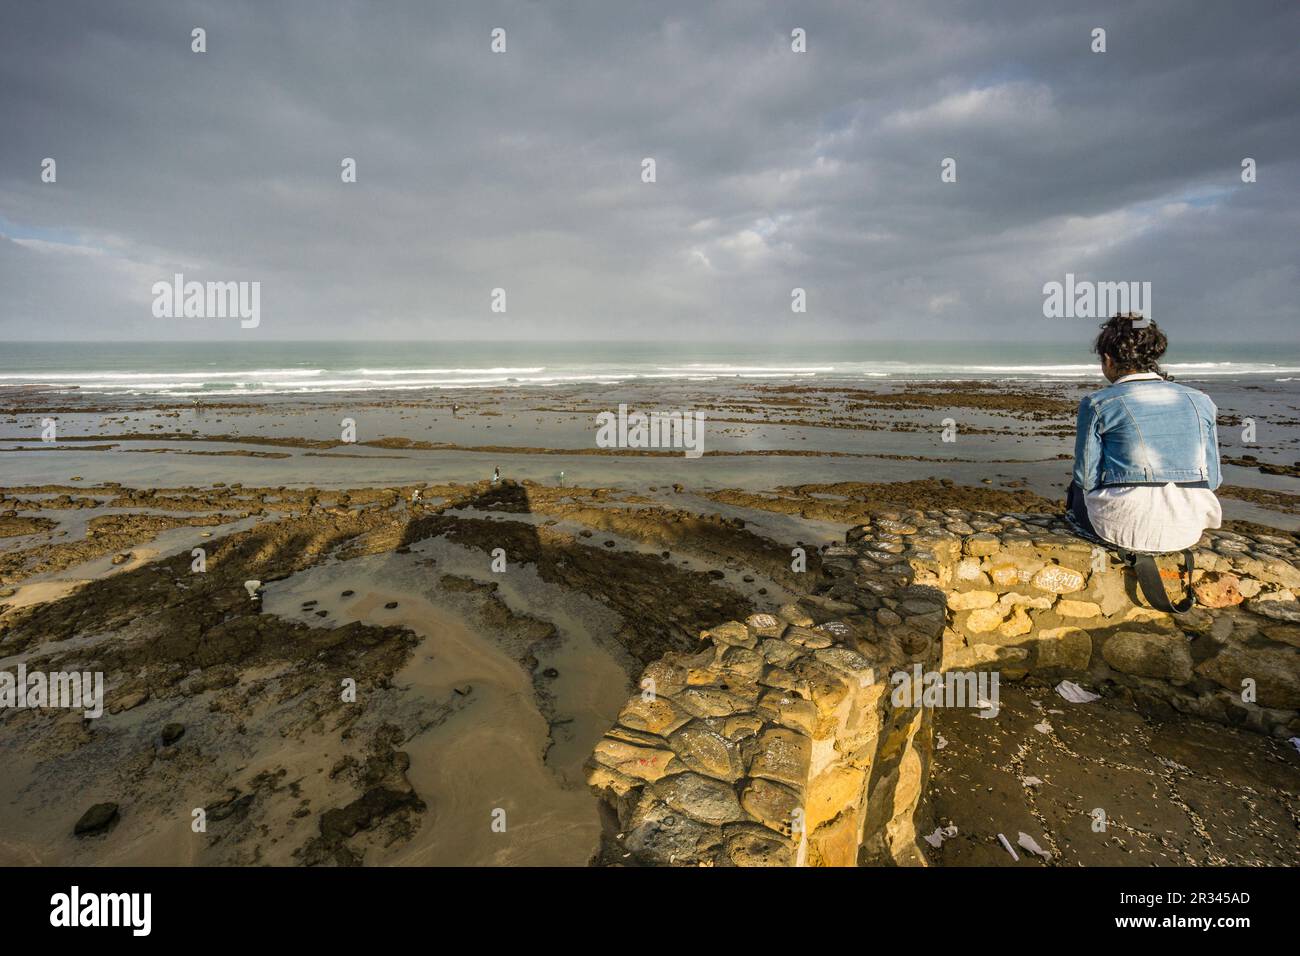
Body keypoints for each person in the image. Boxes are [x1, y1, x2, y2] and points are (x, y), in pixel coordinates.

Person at [1067, 313, 1221, 553]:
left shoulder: (1097, 403)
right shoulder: (1201, 401)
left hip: (1120, 528)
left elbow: (1086, 478)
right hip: (1187, 529)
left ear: (1108, 359)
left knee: (1075, 489)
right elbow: (1213, 479)